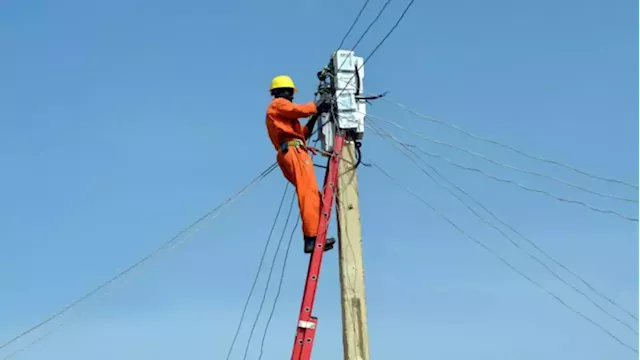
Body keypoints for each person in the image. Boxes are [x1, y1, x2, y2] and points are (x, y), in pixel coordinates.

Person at [265, 75, 336, 254]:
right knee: (309, 193)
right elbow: (299, 110)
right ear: (282, 92)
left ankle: (315, 236)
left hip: (291, 151)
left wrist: (316, 114)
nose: (291, 96)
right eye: (290, 92)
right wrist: (317, 105)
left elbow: (302, 133)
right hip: (293, 152)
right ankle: (311, 238)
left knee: (311, 193)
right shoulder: (278, 104)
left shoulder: (282, 115)